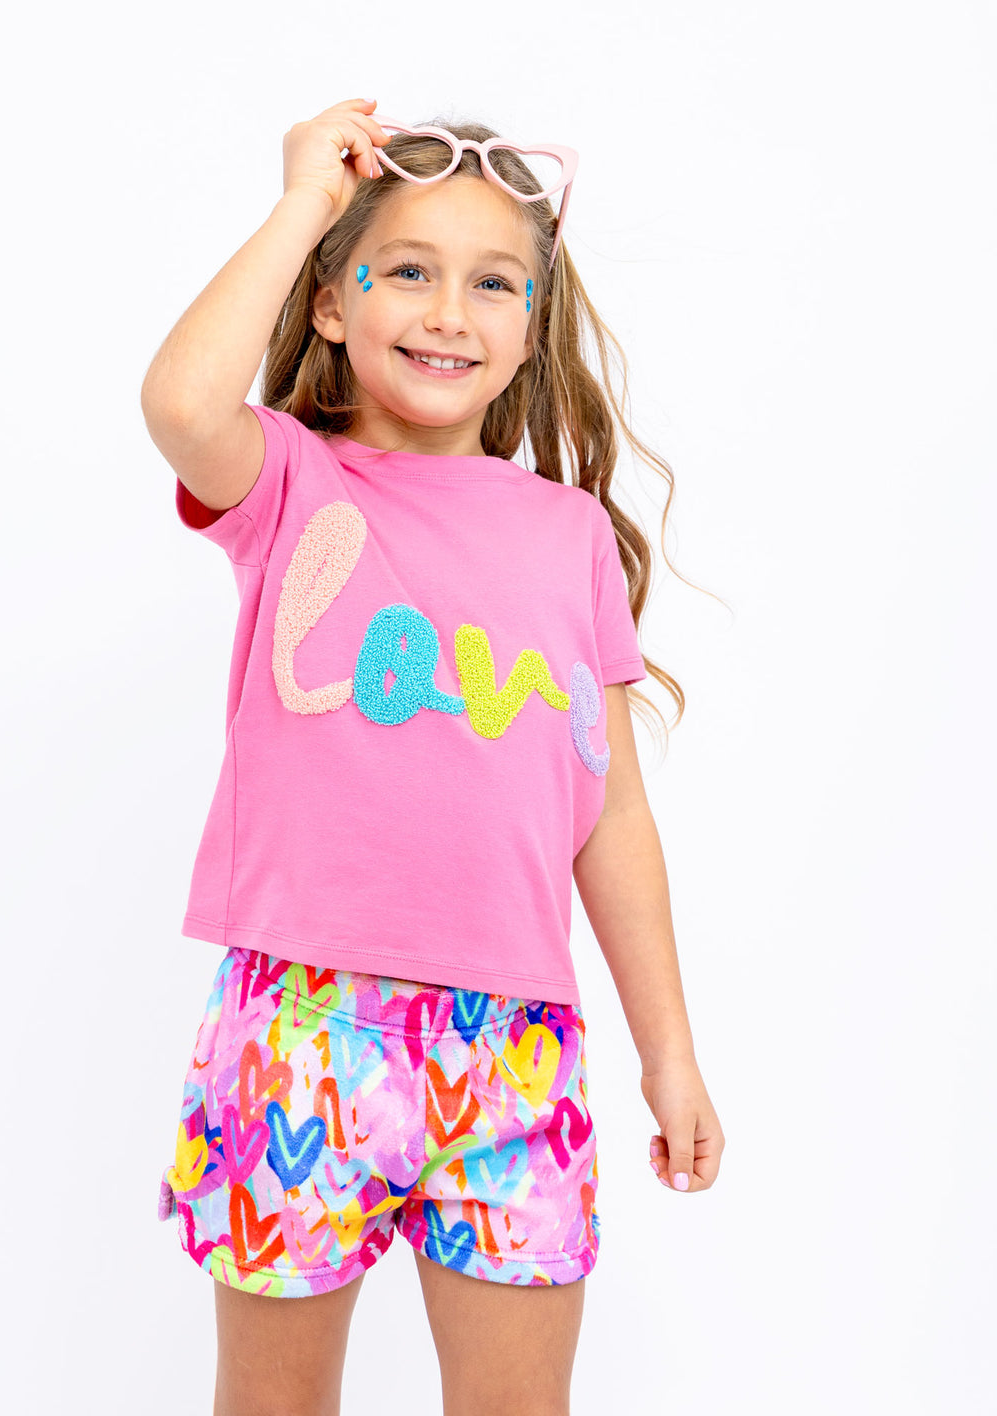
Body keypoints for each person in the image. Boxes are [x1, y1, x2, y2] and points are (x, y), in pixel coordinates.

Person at [142, 96, 725, 1416]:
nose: (450, 311)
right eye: (406, 270)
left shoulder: (569, 536)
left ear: (531, 329)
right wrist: (301, 201)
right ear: (331, 300)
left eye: (492, 282)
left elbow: (611, 816)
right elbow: (181, 402)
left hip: (514, 1045)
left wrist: (669, 1051)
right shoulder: (291, 484)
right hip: (300, 1022)